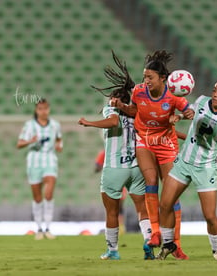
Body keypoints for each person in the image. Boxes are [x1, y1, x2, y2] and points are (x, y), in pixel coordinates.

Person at [157, 78, 217, 260]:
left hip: (206, 167)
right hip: (184, 162)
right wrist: (180, 116)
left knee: (209, 215)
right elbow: (190, 112)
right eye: (215, 90)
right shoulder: (201, 100)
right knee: (164, 205)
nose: (215, 94)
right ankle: (168, 245)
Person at [110, 50, 193, 259]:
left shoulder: (174, 96)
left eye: (150, 77)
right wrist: (121, 106)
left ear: (163, 78)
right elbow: (134, 111)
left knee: (171, 192)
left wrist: (182, 116)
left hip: (166, 143)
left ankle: (176, 243)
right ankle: (155, 233)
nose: (145, 81)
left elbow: (191, 113)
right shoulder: (138, 92)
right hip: (145, 140)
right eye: (144, 77)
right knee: (150, 181)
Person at [78, 51, 153, 260]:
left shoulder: (111, 110)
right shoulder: (138, 113)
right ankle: (149, 242)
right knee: (142, 209)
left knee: (111, 212)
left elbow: (113, 122)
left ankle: (112, 251)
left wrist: (89, 123)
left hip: (114, 168)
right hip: (136, 167)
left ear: (116, 98)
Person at [17, 99, 63, 240]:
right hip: (34, 161)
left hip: (49, 159)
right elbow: (19, 144)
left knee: (48, 193)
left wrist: (59, 146)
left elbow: (58, 139)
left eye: (46, 108)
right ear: (36, 110)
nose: (43, 111)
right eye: (40, 109)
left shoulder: (55, 125)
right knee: (37, 197)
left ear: (49, 109)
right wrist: (31, 141)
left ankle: (48, 228)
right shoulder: (29, 125)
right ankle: (39, 229)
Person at [94, 149, 128, 235]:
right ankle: (119, 228)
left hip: (111, 182)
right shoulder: (109, 153)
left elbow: (97, 168)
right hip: (118, 182)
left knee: (113, 208)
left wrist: (101, 165)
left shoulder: (105, 153)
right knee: (118, 208)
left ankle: (117, 228)